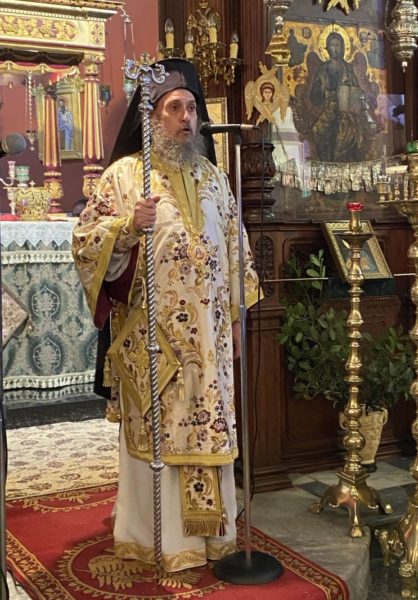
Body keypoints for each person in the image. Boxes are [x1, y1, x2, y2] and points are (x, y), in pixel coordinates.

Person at [72, 58, 261, 573]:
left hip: (212, 340)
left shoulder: (215, 178)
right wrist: (127, 227)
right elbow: (85, 243)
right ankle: (157, 538)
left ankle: (214, 538)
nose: (186, 118)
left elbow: (237, 253)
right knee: (161, 431)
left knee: (208, 427)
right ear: (152, 117)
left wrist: (238, 321)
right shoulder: (124, 177)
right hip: (155, 340)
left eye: (191, 108)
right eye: (174, 108)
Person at [309, 31, 364, 162]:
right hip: (329, 109)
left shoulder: (347, 68)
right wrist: (319, 89)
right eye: (332, 45)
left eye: (337, 45)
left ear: (342, 48)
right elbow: (315, 97)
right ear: (327, 48)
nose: (335, 49)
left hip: (345, 111)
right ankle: (326, 161)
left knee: (344, 130)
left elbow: (356, 91)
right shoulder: (323, 69)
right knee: (317, 129)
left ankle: (339, 161)